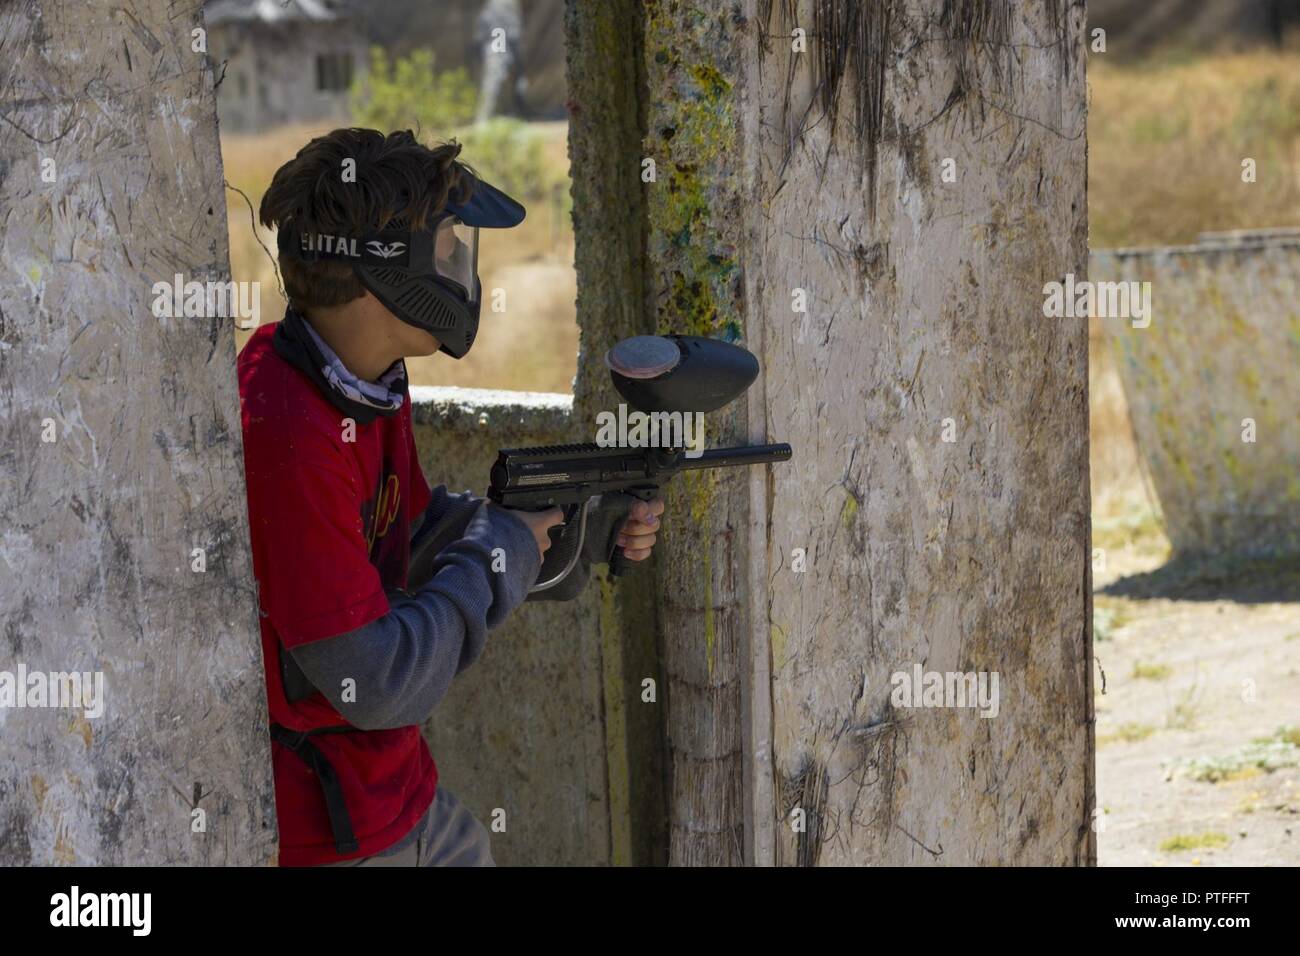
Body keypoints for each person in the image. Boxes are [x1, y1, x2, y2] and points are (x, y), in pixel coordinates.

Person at [237, 127, 664, 866]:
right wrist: (497, 555)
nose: (459, 266)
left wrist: (581, 524)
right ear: (381, 270)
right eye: (443, 248)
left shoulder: (363, 382)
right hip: (337, 838)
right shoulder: (286, 428)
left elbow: (410, 538)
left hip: (404, 794)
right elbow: (372, 679)